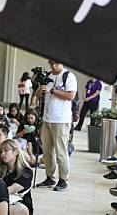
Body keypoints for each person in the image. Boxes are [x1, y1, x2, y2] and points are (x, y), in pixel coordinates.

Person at [36, 59, 77, 192]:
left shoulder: (68, 76)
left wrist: (52, 90)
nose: (54, 66)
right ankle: (50, 177)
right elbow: (37, 96)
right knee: (47, 151)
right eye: (51, 63)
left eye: (56, 63)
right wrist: (40, 88)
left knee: (61, 151)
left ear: (62, 63)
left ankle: (63, 179)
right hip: (47, 118)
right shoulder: (48, 76)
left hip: (61, 119)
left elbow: (71, 95)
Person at [0, 139, 33, 215]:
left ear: (16, 152)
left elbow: (12, 189)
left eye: (6, 150)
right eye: (1, 151)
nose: (2, 154)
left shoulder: (26, 171)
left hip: (19, 202)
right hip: (0, 200)